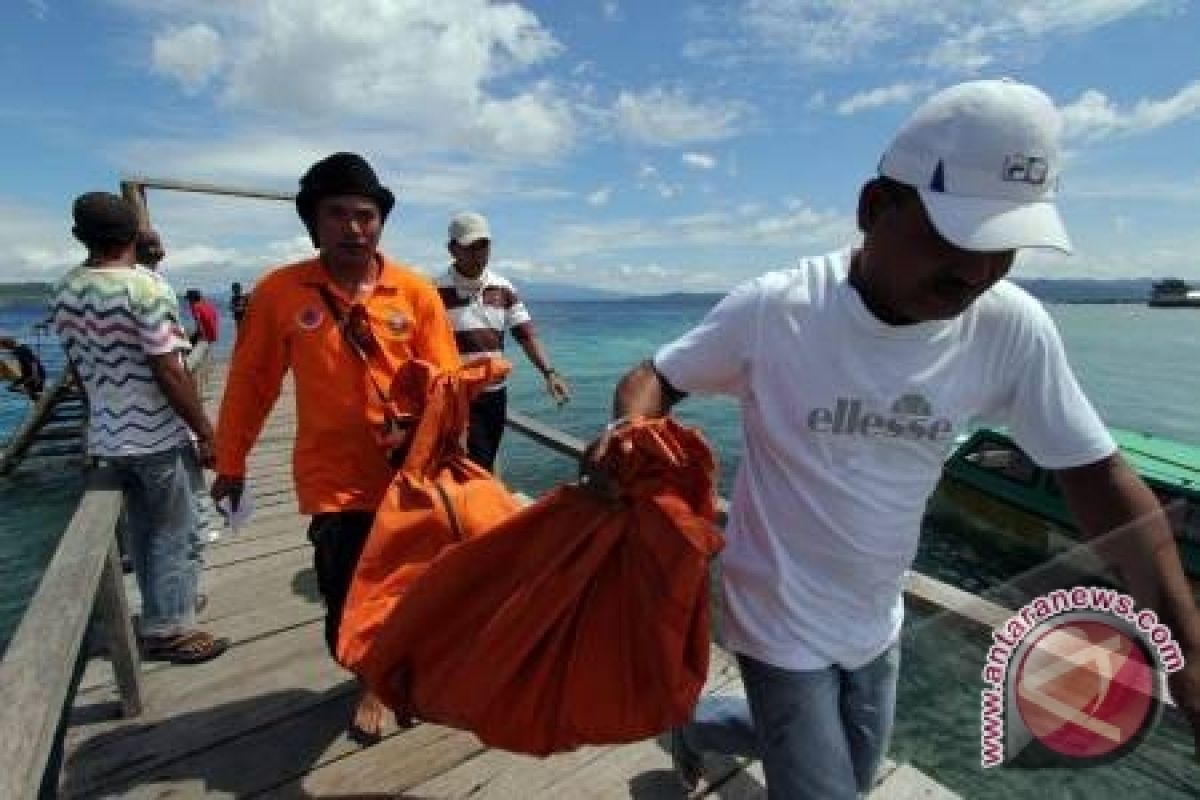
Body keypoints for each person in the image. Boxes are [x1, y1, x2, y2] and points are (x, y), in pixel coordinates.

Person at [581, 79, 1200, 798]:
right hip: (775, 610)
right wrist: (628, 431)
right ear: (876, 208)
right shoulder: (778, 309)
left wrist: (1184, 644)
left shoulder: (1010, 328)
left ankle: (697, 725)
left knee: (852, 761)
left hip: (877, 613)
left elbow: (1096, 479)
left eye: (1004, 248)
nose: (977, 272)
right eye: (955, 238)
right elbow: (656, 376)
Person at [210, 152, 461, 742]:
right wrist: (231, 460)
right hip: (334, 480)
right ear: (314, 222)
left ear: (381, 222)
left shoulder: (416, 293)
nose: (355, 227)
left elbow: (447, 383)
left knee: (414, 584)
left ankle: (390, 673)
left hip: (411, 476)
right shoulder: (280, 291)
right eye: (339, 214)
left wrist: (425, 431)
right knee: (345, 592)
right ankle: (369, 674)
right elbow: (251, 385)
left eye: (366, 215)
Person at [52, 192, 227, 663]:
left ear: (78, 237)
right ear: (135, 235)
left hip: (107, 436)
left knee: (146, 531)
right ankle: (170, 628)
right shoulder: (145, 289)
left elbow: (79, 369)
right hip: (156, 435)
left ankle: (164, 607)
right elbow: (169, 369)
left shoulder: (66, 290)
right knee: (180, 529)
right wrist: (206, 432)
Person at [435, 211, 570, 472]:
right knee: (466, 467)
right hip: (456, 399)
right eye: (470, 246)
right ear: (452, 249)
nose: (478, 253)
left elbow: (525, 333)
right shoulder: (434, 291)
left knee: (483, 463)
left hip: (495, 397)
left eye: (483, 245)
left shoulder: (503, 288)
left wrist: (549, 373)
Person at [0, 335, 45, 400]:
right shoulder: (22, 347)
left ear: (6, 345)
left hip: (33, 375)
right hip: (32, 374)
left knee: (36, 396)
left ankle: (38, 395)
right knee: (13, 388)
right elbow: (32, 361)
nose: (4, 349)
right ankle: (37, 395)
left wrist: (35, 376)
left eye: (3, 347)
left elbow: (32, 363)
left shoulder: (18, 351)